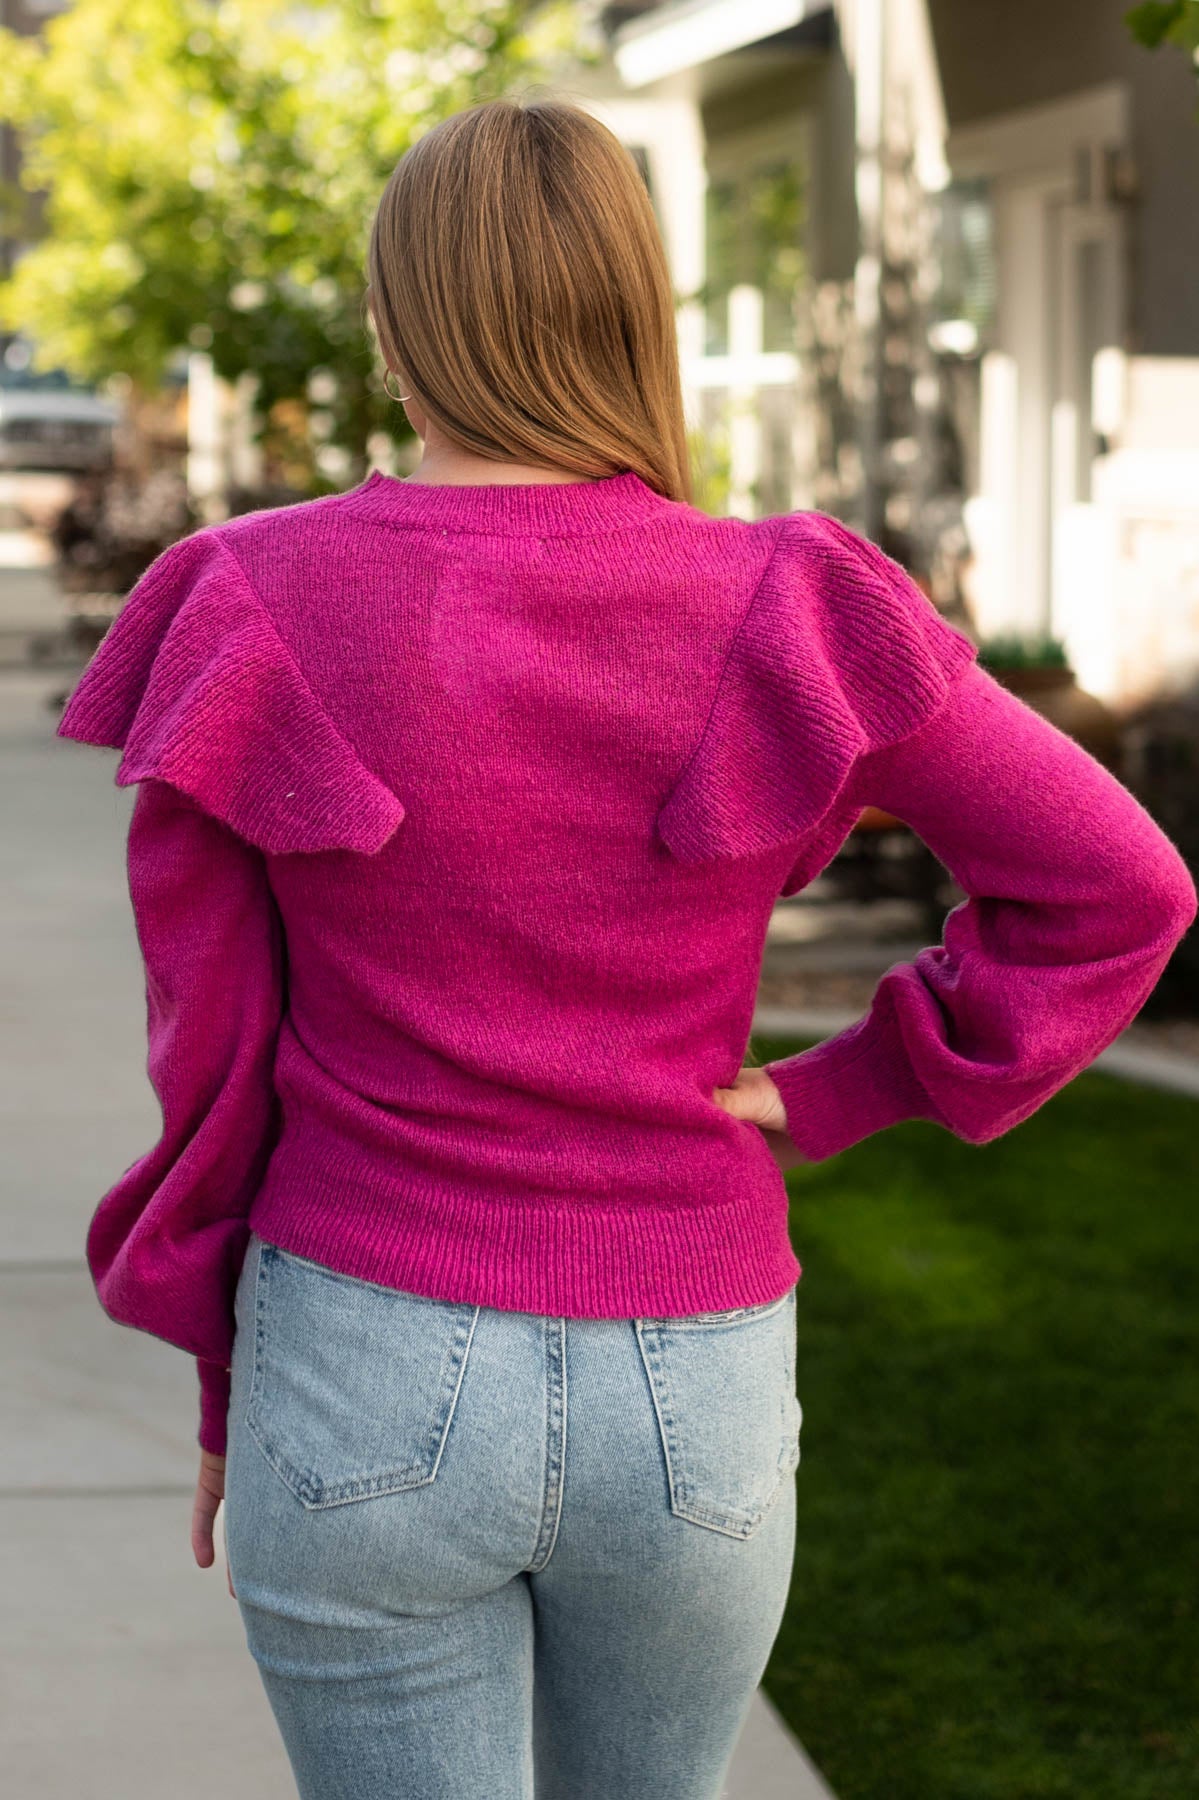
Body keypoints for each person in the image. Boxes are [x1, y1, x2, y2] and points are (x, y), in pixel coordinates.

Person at [55, 95, 1196, 1800]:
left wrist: (231, 1381)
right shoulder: (795, 600)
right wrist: (844, 1092)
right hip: (697, 1377)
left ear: (391, 324)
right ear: (638, 317)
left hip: (363, 1343)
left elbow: (204, 1049)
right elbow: (1122, 887)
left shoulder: (247, 597)